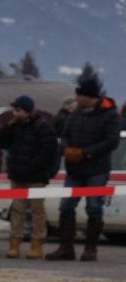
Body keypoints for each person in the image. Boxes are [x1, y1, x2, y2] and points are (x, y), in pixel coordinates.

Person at [46, 73, 120, 262]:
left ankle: (91, 249)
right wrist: (66, 149)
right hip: (74, 170)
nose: (76, 98)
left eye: (79, 95)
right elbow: (65, 135)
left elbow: (111, 142)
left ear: (88, 97)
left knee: (94, 207)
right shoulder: (75, 114)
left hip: (97, 170)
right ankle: (66, 248)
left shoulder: (110, 115)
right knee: (66, 206)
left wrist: (85, 153)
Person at [0, 93, 57, 259]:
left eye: (19, 110)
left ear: (28, 111)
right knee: (17, 210)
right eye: (14, 110)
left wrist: (32, 166)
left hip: (36, 176)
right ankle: (14, 243)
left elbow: (48, 150)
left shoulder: (42, 127)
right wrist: (8, 126)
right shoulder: (14, 126)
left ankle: (37, 244)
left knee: (37, 210)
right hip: (17, 176)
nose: (15, 113)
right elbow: (0, 142)